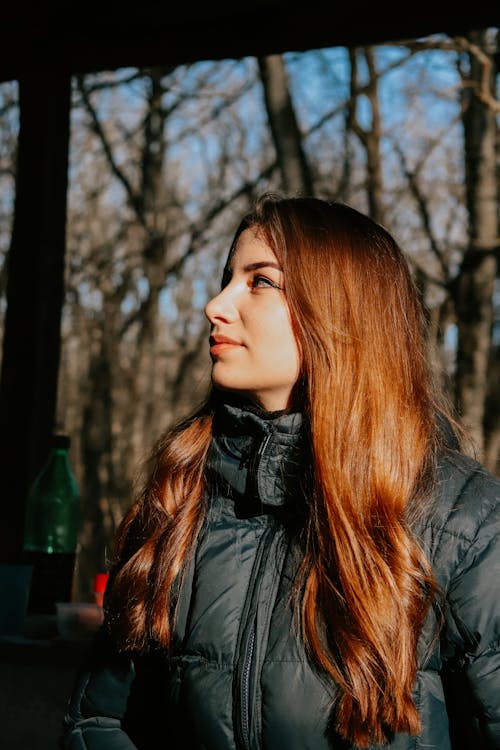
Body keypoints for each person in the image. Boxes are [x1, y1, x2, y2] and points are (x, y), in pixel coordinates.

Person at [61, 194, 500, 750]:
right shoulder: (182, 494)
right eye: (227, 278)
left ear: (340, 314)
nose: (215, 305)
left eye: (260, 281)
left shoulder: (466, 522)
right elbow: (102, 721)